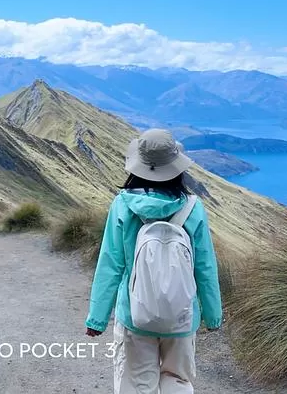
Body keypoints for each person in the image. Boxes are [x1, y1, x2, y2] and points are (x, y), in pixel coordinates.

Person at [85, 128, 222, 394]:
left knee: (136, 385)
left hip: (135, 314)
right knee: (178, 381)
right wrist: (213, 315)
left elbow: (111, 265)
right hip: (182, 315)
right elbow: (204, 266)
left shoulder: (122, 205)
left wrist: (97, 319)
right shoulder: (193, 208)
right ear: (176, 167)